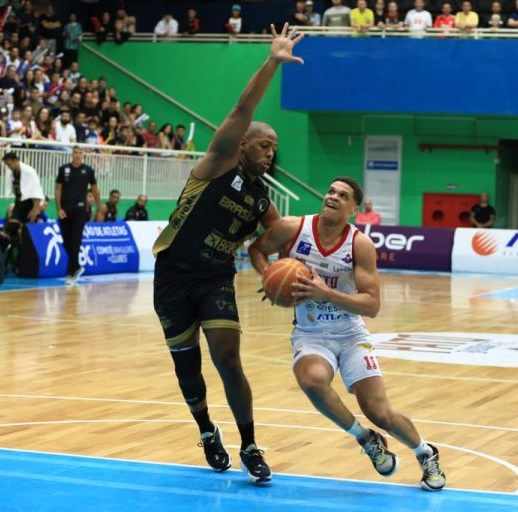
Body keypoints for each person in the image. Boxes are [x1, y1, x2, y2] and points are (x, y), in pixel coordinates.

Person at [150, 23, 303, 484]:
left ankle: (250, 444)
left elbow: (280, 236)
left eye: (275, 148)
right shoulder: (217, 163)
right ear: (242, 144)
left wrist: (278, 266)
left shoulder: (260, 200)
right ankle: (206, 430)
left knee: (228, 359)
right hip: (173, 274)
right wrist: (272, 62)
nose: (270, 153)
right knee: (187, 366)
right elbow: (242, 108)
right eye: (264, 145)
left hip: (215, 278)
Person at [248, 177, 447, 492]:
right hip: (311, 332)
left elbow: (372, 305)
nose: (333, 197)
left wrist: (326, 293)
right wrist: (269, 277)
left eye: (342, 195)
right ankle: (365, 438)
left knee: (380, 411)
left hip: (351, 333)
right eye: (330, 191)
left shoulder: (359, 244)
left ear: (354, 209)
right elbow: (257, 249)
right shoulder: (292, 228)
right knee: (312, 380)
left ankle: (425, 453)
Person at [55, 146, 100, 285]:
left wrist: (99, 205)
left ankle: (70, 273)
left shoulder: (88, 170)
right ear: (72, 154)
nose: (78, 155)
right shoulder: (63, 169)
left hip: (80, 211)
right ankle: (77, 266)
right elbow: (58, 190)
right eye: (75, 152)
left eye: (80, 153)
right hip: (65, 211)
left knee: (75, 241)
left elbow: (95, 189)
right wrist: (59, 208)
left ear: (83, 156)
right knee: (66, 241)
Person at [2, 152, 45, 247]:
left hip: (30, 204)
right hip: (19, 203)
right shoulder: (12, 172)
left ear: (15, 161)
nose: (8, 167)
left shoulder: (29, 171)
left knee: (26, 232)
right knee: (13, 227)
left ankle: (24, 252)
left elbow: (36, 191)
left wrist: (35, 210)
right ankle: (13, 250)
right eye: (6, 165)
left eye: (9, 164)